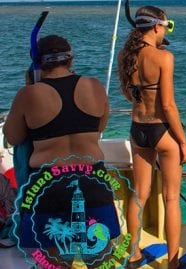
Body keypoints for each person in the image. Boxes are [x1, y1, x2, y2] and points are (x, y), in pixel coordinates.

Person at [3, 35, 118, 265]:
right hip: (92, 181)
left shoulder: (29, 94)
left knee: (55, 263)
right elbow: (99, 128)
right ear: (70, 59)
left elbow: (12, 137)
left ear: (38, 63)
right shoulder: (94, 86)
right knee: (100, 260)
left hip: (48, 187)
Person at [118, 6, 186, 269]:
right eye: (166, 26)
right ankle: (173, 262)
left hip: (138, 129)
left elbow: (130, 95)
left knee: (139, 194)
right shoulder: (163, 57)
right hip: (162, 130)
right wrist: (183, 141)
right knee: (171, 198)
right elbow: (169, 106)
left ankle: (134, 254)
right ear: (157, 26)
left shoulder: (126, 56)